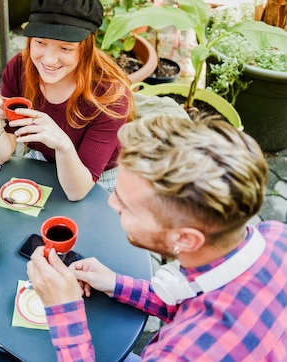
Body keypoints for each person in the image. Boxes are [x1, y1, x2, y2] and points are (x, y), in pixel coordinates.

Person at [26, 115, 287, 361]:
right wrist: (114, 283)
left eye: (127, 206)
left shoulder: (182, 352)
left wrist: (65, 309)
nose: (111, 203)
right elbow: (189, 295)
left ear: (185, 239)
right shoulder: (274, 234)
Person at [0, 0, 134, 198]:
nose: (49, 60)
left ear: (86, 49)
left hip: (95, 177)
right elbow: (1, 155)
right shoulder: (19, 67)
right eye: (40, 43)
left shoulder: (110, 95)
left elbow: (76, 192)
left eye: (65, 48)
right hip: (42, 160)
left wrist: (62, 144)